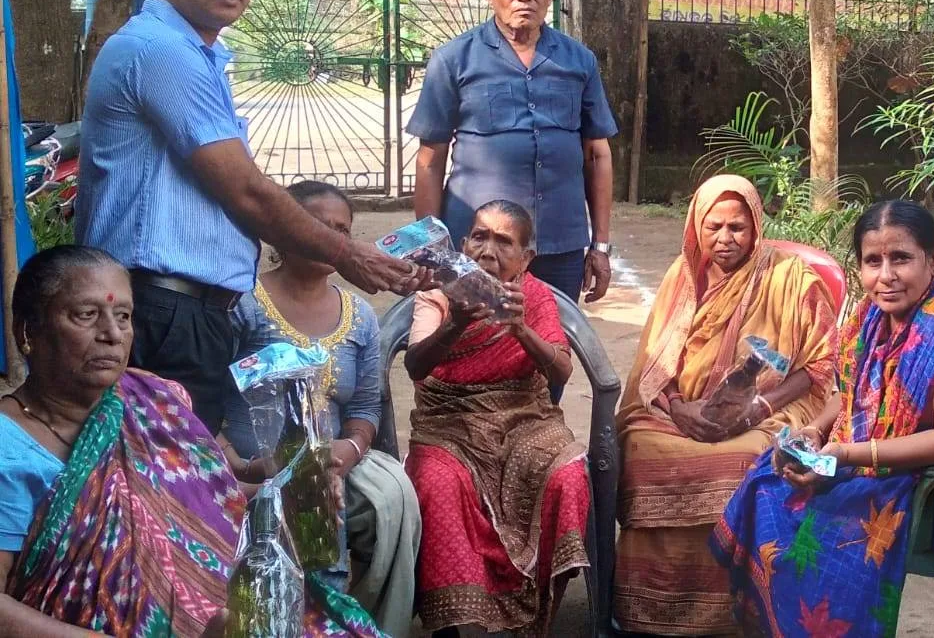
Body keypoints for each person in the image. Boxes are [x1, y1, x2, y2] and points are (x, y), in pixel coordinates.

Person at [75, 0, 421, 434]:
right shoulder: (162, 50)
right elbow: (247, 192)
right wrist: (348, 255)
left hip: (185, 310)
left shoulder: (198, 52)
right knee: (163, 493)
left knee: (181, 488)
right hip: (163, 309)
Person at [0, 246, 381, 637]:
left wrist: (287, 494)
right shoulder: (7, 449)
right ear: (28, 331)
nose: (112, 334)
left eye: (124, 316)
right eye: (86, 315)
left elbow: (217, 499)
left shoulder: (154, 401)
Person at [712, 199, 934, 637]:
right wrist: (814, 431)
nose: (885, 276)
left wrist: (847, 455)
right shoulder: (876, 314)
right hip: (908, 464)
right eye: (873, 261)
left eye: (901, 258)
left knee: (821, 519)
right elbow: (851, 395)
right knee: (767, 478)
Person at [615, 174, 838, 635]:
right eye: (713, 226)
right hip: (682, 408)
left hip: (772, 406)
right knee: (639, 448)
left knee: (743, 458)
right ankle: (651, 611)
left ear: (756, 226)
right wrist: (679, 407)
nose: (725, 239)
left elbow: (818, 366)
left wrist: (756, 407)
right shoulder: (684, 275)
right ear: (697, 227)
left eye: (737, 227)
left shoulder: (790, 278)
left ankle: (736, 616)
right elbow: (657, 359)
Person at [218, 181, 421, 638]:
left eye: (341, 229)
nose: (331, 236)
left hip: (328, 471)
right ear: (282, 229)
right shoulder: (243, 305)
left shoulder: (360, 316)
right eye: (317, 226)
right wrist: (246, 468)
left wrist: (341, 456)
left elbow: (367, 407)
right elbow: (205, 404)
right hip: (247, 471)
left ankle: (341, 617)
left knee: (344, 501)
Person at [405, 199, 589, 637]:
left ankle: (540, 617)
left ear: (526, 258)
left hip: (525, 416)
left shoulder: (536, 296)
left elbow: (561, 370)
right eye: (480, 236)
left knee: (568, 475)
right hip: (449, 421)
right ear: (464, 242)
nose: (488, 250)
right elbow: (415, 367)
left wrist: (519, 327)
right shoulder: (438, 293)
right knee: (437, 482)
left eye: (504, 241)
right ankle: (452, 625)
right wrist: (455, 322)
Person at [407, 0, 618, 303]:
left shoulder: (579, 61)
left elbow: (597, 155)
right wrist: (433, 249)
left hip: (559, 244)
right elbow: (430, 159)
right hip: (480, 247)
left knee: (551, 346)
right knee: (472, 347)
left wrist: (599, 244)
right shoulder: (454, 60)